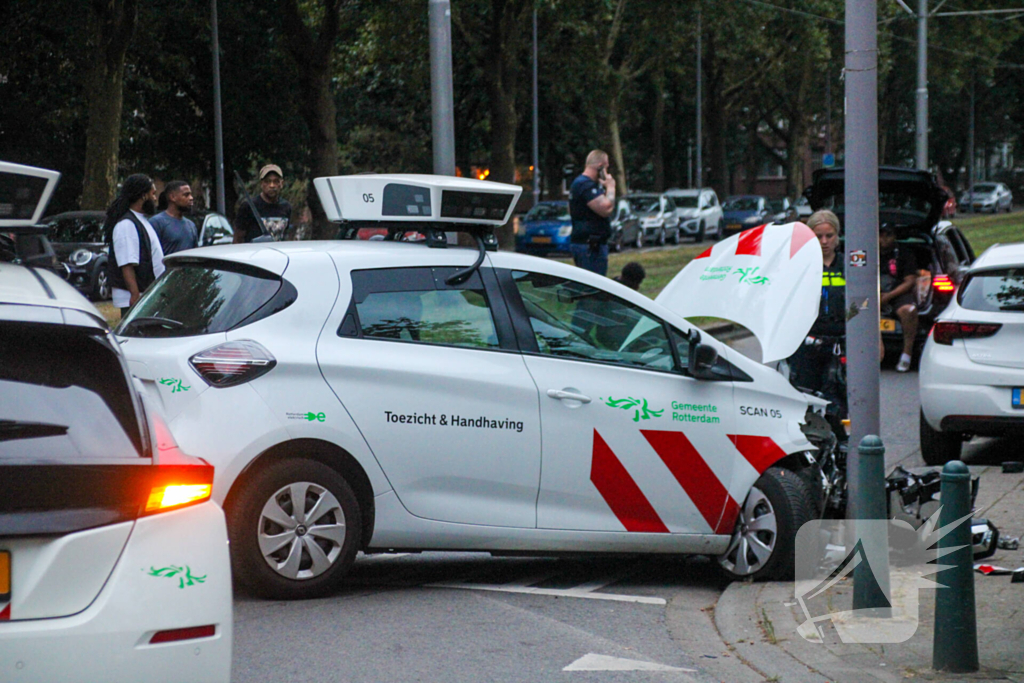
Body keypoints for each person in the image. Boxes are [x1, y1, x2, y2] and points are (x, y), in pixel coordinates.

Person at [787, 210, 846, 396]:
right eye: (818, 236)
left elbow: (865, 304)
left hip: (842, 340)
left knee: (841, 396)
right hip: (808, 342)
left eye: (829, 235)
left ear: (837, 236)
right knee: (807, 395)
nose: (824, 241)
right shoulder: (799, 265)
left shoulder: (848, 265)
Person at [103, 174, 165, 318]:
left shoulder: (140, 219)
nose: (155, 198)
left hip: (146, 294)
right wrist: (135, 295)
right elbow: (127, 263)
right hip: (136, 298)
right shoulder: (127, 224)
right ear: (143, 196)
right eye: (153, 194)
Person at [568, 150, 616, 276]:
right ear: (600, 167)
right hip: (590, 247)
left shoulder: (586, 184)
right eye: (606, 168)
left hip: (591, 244)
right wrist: (611, 187)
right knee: (593, 284)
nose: (607, 173)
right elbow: (606, 209)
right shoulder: (585, 185)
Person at [878, 223, 919, 372]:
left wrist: (889, 296)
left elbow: (910, 281)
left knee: (908, 311)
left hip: (897, 293)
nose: (884, 239)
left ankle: (906, 355)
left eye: (888, 235)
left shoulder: (904, 254)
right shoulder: (866, 252)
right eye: (880, 235)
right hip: (871, 293)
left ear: (894, 237)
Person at [234, 164, 292, 243]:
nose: (272, 185)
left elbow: (286, 236)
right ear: (261, 184)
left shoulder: (286, 207)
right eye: (267, 181)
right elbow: (238, 238)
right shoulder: (248, 206)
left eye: (276, 181)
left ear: (281, 183)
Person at [149, 180, 198, 255]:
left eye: (191, 195)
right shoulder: (157, 223)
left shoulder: (191, 225)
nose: (191, 198)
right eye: (186, 195)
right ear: (172, 197)